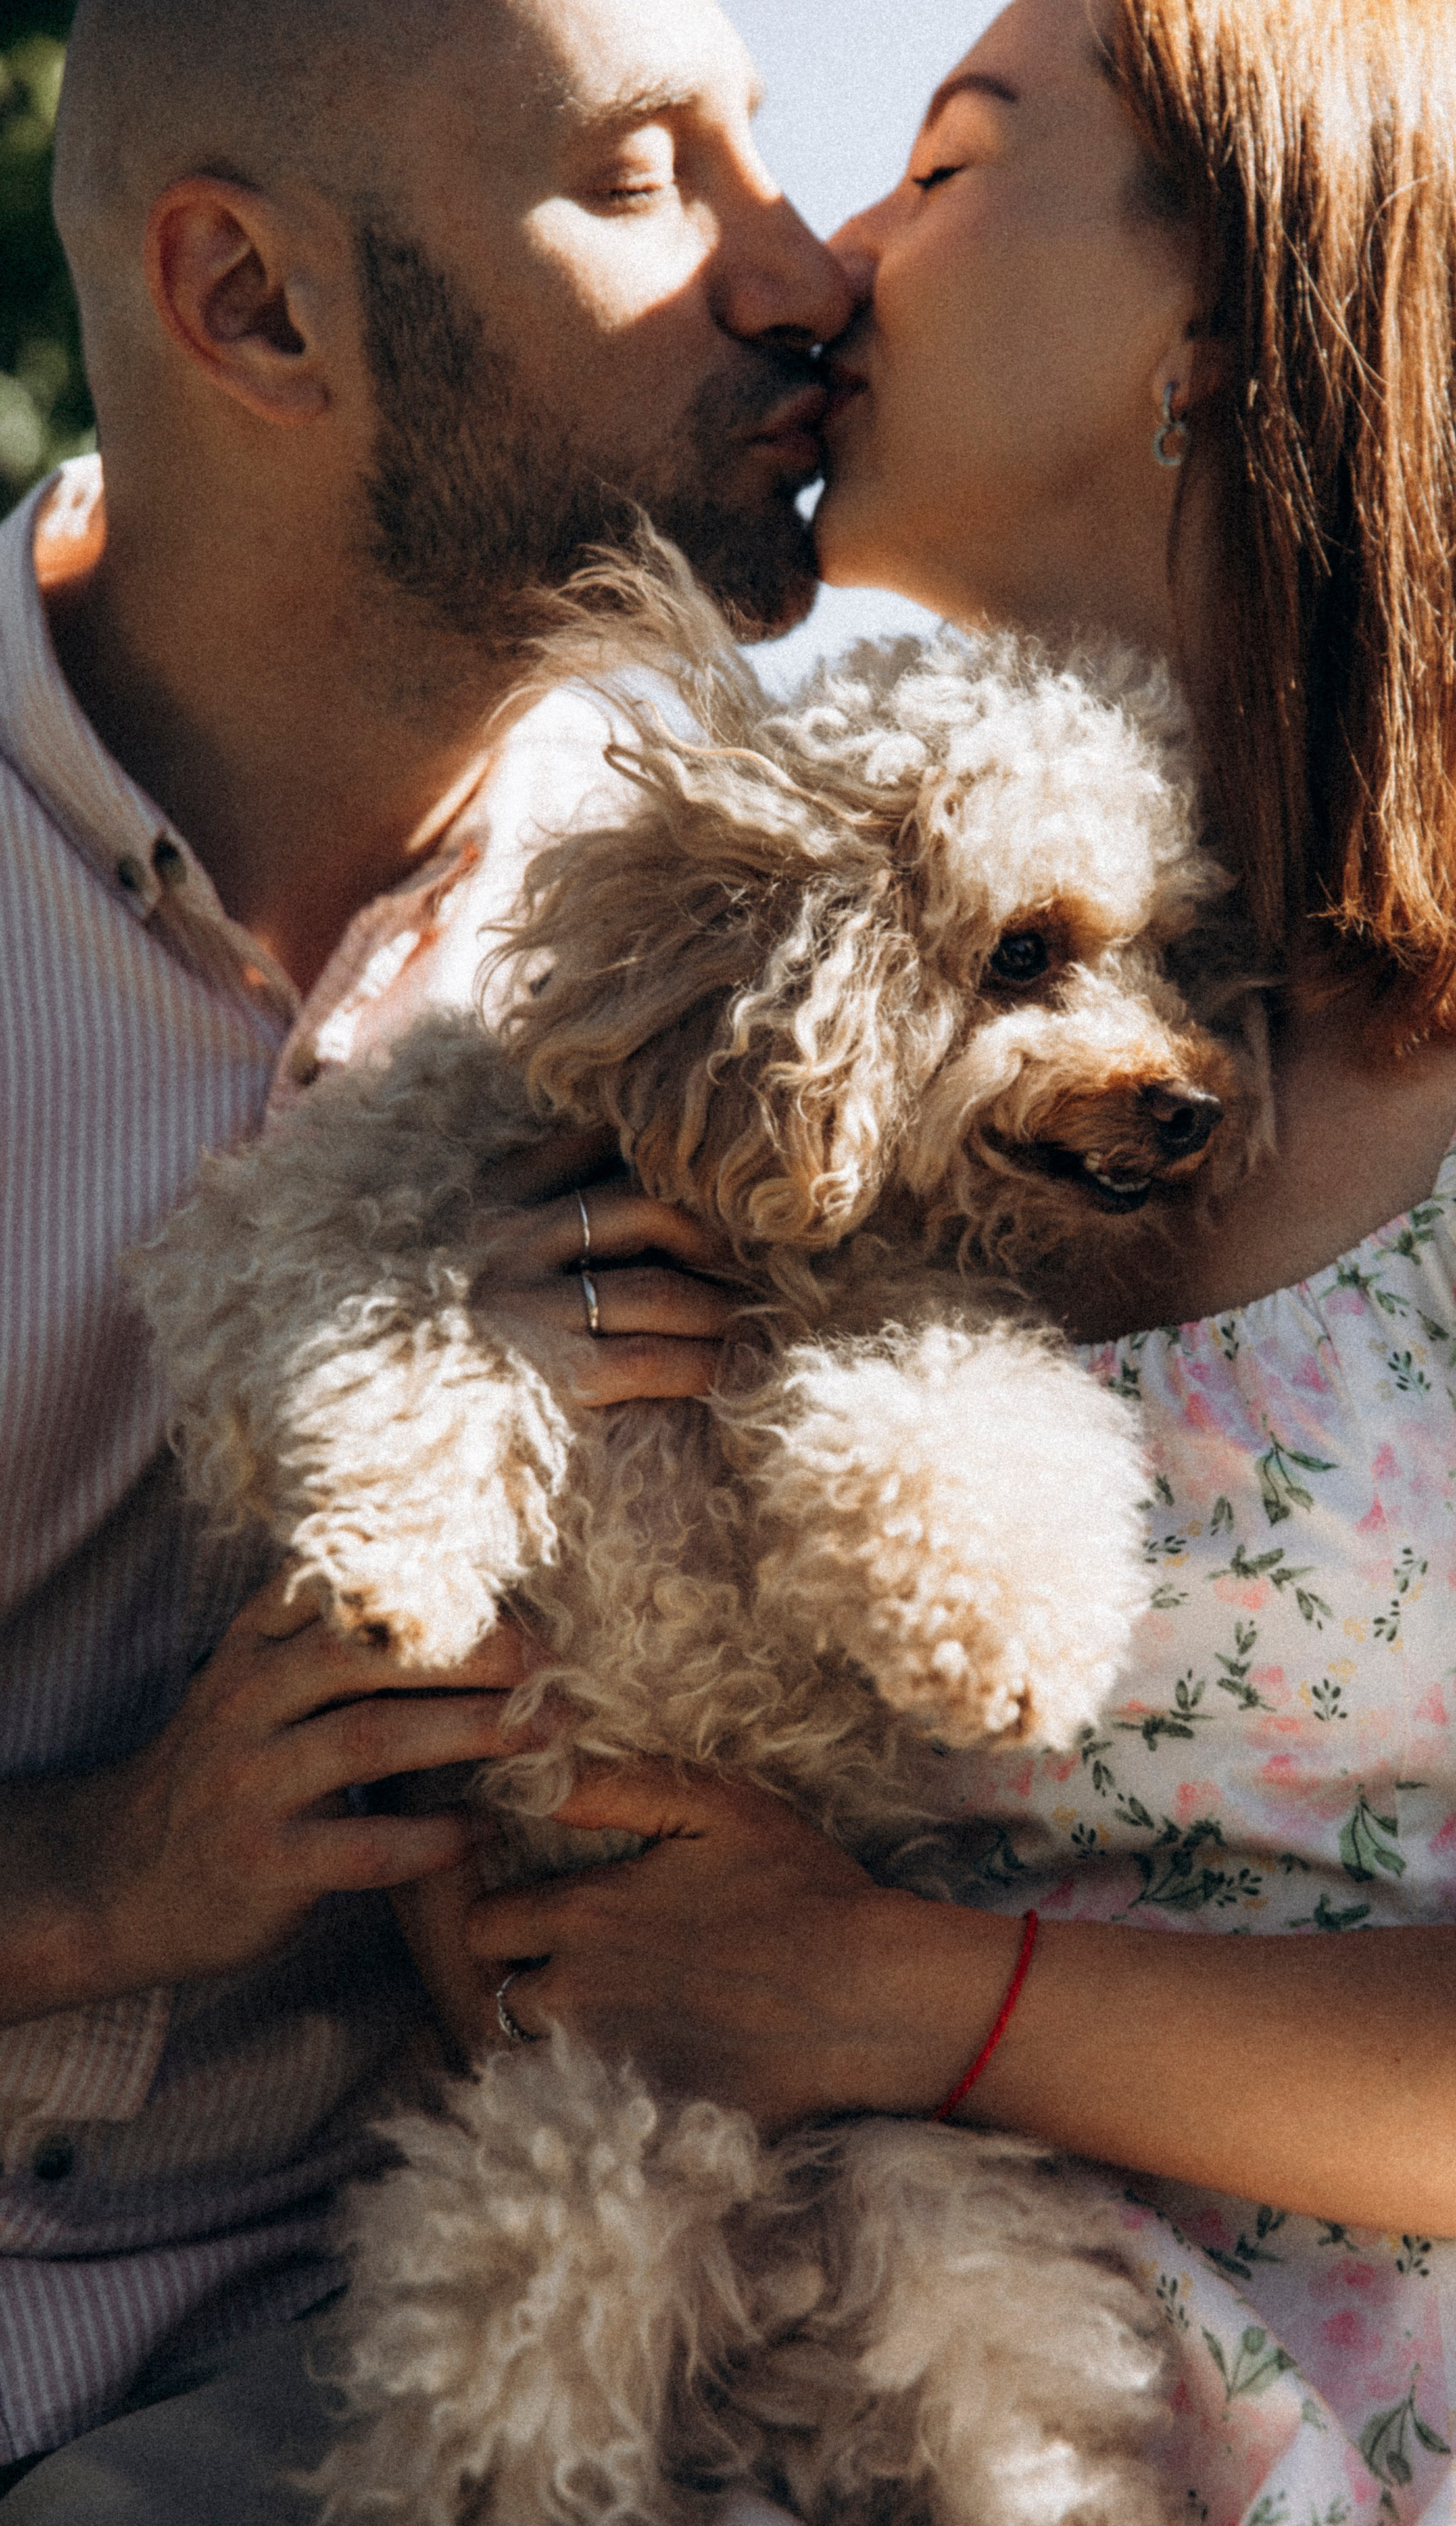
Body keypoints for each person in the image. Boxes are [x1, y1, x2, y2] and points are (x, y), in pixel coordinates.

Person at [409, 1, 1456, 2518]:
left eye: (950, 165)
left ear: (1217, 325)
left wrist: (916, 1999)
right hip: (724, 2401)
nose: (826, 267)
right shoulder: (822, 999)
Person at [0, 0, 854, 2513]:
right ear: (253, 302)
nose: (805, 273)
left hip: (372, 2363)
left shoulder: (746, 930)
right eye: (640, 176)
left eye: (765, 156)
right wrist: (89, 1876)